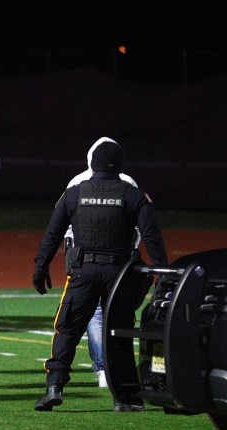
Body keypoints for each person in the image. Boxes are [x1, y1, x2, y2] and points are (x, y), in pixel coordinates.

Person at [32, 139, 168, 411]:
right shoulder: (133, 194)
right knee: (119, 332)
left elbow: (53, 233)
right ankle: (125, 398)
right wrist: (163, 271)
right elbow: (151, 237)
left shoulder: (74, 193)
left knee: (67, 329)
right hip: (119, 274)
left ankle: (54, 387)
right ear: (120, 165)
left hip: (82, 271)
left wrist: (41, 267)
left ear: (91, 162)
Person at [64, 137, 142, 389]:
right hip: (120, 260)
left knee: (91, 315)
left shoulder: (77, 182)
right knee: (119, 315)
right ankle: (116, 369)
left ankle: (101, 369)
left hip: (83, 259)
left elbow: (64, 223)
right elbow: (141, 223)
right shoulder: (128, 182)